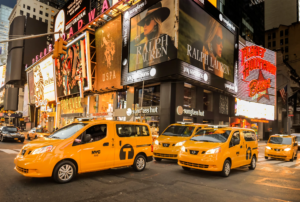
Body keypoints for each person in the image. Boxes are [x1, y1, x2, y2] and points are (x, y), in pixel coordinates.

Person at [130, 2, 176, 71]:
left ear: (155, 22)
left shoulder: (164, 39)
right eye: (143, 24)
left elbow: (175, 59)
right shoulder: (145, 46)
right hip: (147, 79)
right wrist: (143, 35)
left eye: (147, 21)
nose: (144, 26)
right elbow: (131, 48)